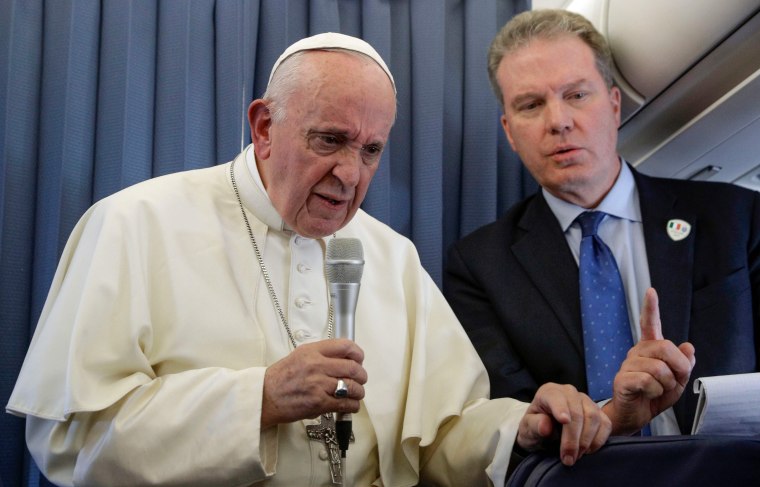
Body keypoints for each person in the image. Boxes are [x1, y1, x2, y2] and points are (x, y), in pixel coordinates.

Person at [7, 32, 612, 487]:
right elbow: (68, 436)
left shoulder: (392, 258)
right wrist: (260, 399)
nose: (350, 175)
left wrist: (518, 428)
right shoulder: (135, 223)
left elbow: (443, 434)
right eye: (330, 140)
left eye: (372, 150)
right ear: (265, 127)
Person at [444, 8, 758, 438]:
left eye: (576, 95)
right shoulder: (479, 265)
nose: (558, 121)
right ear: (510, 133)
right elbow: (508, 424)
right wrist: (610, 417)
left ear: (613, 105)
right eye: (532, 105)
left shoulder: (737, 218)